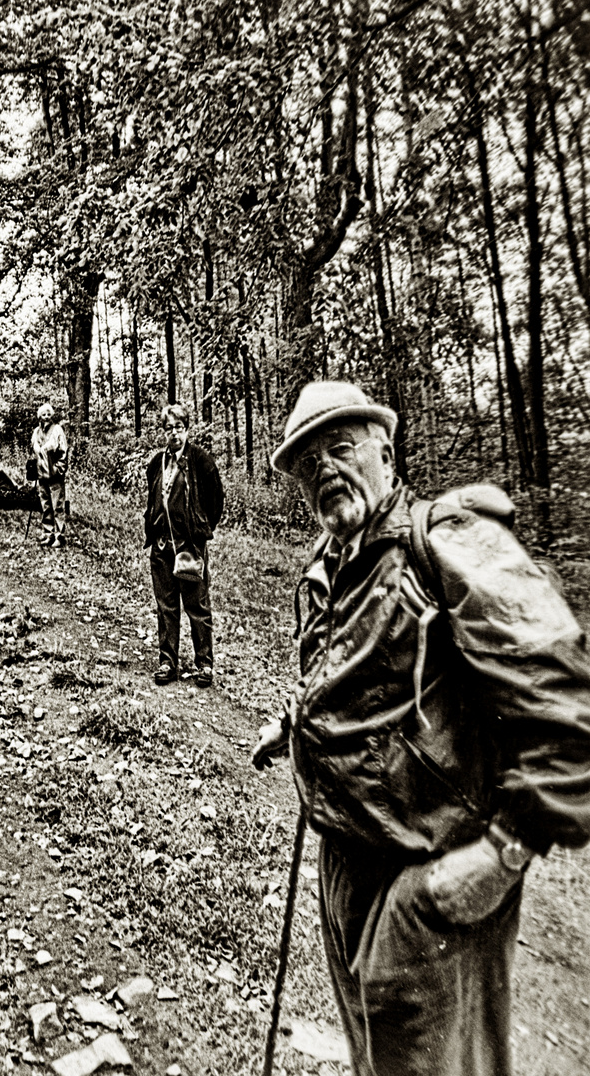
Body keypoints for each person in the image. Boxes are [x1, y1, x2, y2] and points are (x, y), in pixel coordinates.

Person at [252, 380, 590, 1076]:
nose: (324, 471)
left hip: (431, 861)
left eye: (339, 449)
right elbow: (355, 670)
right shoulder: (328, 566)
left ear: (385, 446)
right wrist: (294, 722)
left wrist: (502, 852)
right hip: (347, 855)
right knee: (377, 1058)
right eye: (307, 463)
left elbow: (564, 698)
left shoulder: (447, 537)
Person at [144, 404, 224, 686]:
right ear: (163, 432)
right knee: (166, 607)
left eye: (178, 428)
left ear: (187, 429)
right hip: (161, 547)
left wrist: (200, 534)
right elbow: (152, 499)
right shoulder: (157, 462)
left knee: (198, 607)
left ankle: (205, 665)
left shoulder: (201, 461)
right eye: (168, 429)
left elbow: (216, 504)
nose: (174, 433)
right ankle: (168, 662)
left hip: (190, 548)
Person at [30, 403, 69, 548]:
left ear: (51, 415)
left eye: (48, 414)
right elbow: (34, 453)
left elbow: (63, 451)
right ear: (39, 416)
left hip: (55, 476)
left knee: (57, 506)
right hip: (41, 476)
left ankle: (60, 536)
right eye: (43, 414)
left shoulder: (57, 430)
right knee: (45, 506)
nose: (46, 417)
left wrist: (59, 469)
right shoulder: (36, 432)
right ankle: (48, 534)